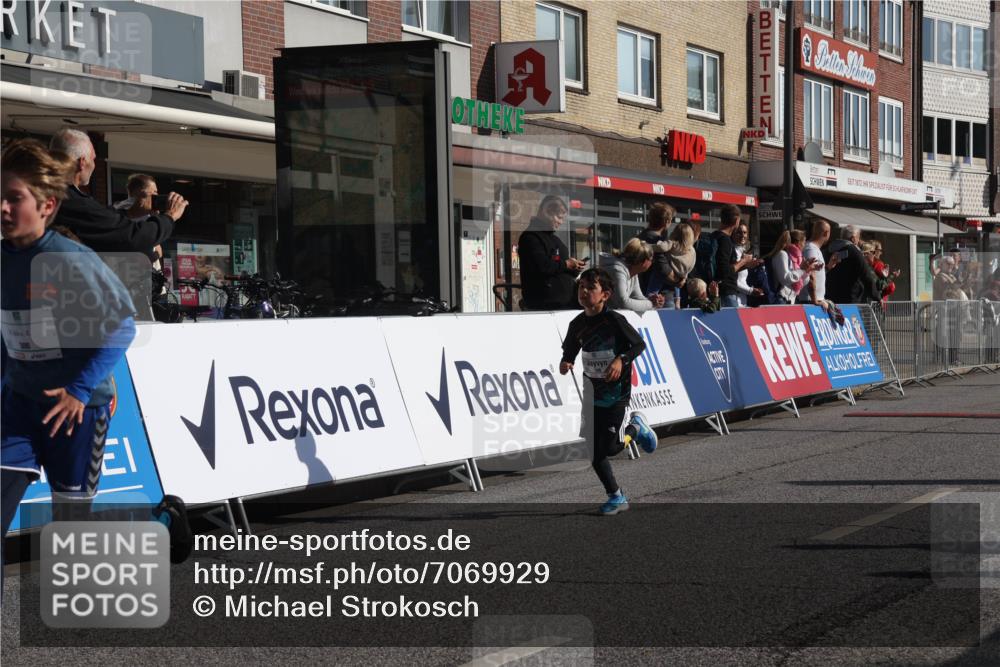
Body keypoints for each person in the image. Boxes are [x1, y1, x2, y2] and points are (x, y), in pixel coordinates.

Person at [1, 139, 137, 549]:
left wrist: (78, 391)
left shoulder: (69, 258)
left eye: (14, 199)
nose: (2, 209)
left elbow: (123, 326)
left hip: (78, 409)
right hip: (19, 405)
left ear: (47, 206)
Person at [559, 268, 650, 515]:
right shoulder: (576, 324)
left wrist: (621, 359)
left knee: (609, 448)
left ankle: (635, 429)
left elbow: (639, 345)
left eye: (591, 288)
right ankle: (616, 496)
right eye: (581, 287)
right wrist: (566, 362)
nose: (584, 292)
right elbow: (570, 349)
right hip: (591, 395)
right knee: (593, 452)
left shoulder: (614, 321)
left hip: (616, 395)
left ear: (605, 294)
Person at [49, 129, 187, 259]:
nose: (94, 165)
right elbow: (132, 237)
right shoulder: (70, 201)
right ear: (82, 162)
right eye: (93, 159)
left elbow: (100, 220)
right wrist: (169, 216)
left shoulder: (43, 192)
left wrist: (132, 212)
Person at [519, 195, 586, 310]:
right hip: (546, 306)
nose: (561, 222)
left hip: (564, 303)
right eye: (559, 217)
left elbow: (558, 269)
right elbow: (542, 266)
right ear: (547, 212)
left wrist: (574, 268)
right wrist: (567, 264)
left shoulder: (554, 239)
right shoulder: (531, 237)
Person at [712, 204, 760, 308]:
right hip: (726, 293)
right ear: (736, 221)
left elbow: (723, 267)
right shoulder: (725, 240)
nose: (742, 235)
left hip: (716, 292)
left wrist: (746, 265)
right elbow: (725, 271)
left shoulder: (714, 236)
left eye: (745, 232)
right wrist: (743, 261)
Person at [599, 238, 664, 311]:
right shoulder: (617, 271)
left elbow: (637, 296)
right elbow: (623, 302)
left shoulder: (632, 271)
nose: (652, 263)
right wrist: (651, 304)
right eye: (651, 260)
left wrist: (651, 300)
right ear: (645, 262)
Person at [824, 225, 880, 304]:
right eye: (858, 237)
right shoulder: (854, 251)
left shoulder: (829, 249)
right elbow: (866, 274)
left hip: (830, 296)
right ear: (853, 238)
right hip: (850, 299)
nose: (858, 240)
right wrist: (877, 296)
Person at [764, 230, 818, 305]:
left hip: (791, 301)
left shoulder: (798, 258)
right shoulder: (782, 254)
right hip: (780, 299)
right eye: (804, 242)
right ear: (798, 243)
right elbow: (785, 279)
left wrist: (807, 270)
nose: (804, 245)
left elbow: (803, 282)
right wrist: (802, 270)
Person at [636, 202, 675, 294]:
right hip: (659, 294)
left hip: (643, 288)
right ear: (666, 221)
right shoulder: (656, 240)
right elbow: (663, 268)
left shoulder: (642, 236)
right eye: (671, 220)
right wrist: (678, 281)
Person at [801, 218, 840, 308]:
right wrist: (815, 301)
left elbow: (815, 273)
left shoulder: (813, 248)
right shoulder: (811, 249)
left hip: (813, 300)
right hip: (810, 301)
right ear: (826, 233)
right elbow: (811, 275)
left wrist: (828, 267)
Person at [733, 222, 763, 307]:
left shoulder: (742, 251)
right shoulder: (733, 252)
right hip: (734, 301)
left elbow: (742, 279)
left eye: (745, 232)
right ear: (733, 234)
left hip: (743, 300)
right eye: (739, 232)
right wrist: (750, 290)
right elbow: (732, 280)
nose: (742, 235)